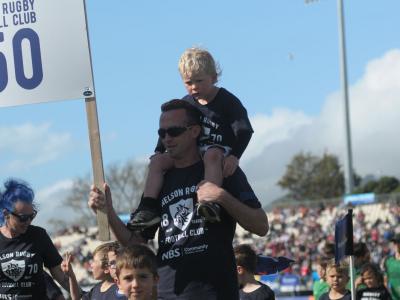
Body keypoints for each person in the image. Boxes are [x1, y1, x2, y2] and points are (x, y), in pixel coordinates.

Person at [89, 99, 269, 299]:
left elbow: (261, 226)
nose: (166, 138)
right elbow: (136, 242)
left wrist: (221, 196)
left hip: (215, 292)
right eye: (161, 133)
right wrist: (108, 211)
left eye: (174, 131)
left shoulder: (221, 168)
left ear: (194, 131)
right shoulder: (159, 179)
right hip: (168, 292)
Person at [130, 47, 254, 227]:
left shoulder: (227, 101)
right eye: (188, 82)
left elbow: (244, 131)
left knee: (212, 154)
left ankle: (209, 202)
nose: (194, 86)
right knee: (157, 162)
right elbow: (168, 128)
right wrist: (158, 150)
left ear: (214, 77)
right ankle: (148, 207)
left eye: (199, 81)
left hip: (219, 150)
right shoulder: (187, 103)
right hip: (192, 152)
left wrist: (235, 156)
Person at [0, 179, 71, 299]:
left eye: (31, 216)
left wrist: (82, 295)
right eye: (23, 218)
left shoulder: (38, 235)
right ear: (6, 214)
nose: (28, 221)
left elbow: (59, 273)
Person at [383, 233, 400, 300]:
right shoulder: (388, 261)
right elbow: (385, 280)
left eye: (399, 242)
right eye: (395, 242)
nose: (397, 245)